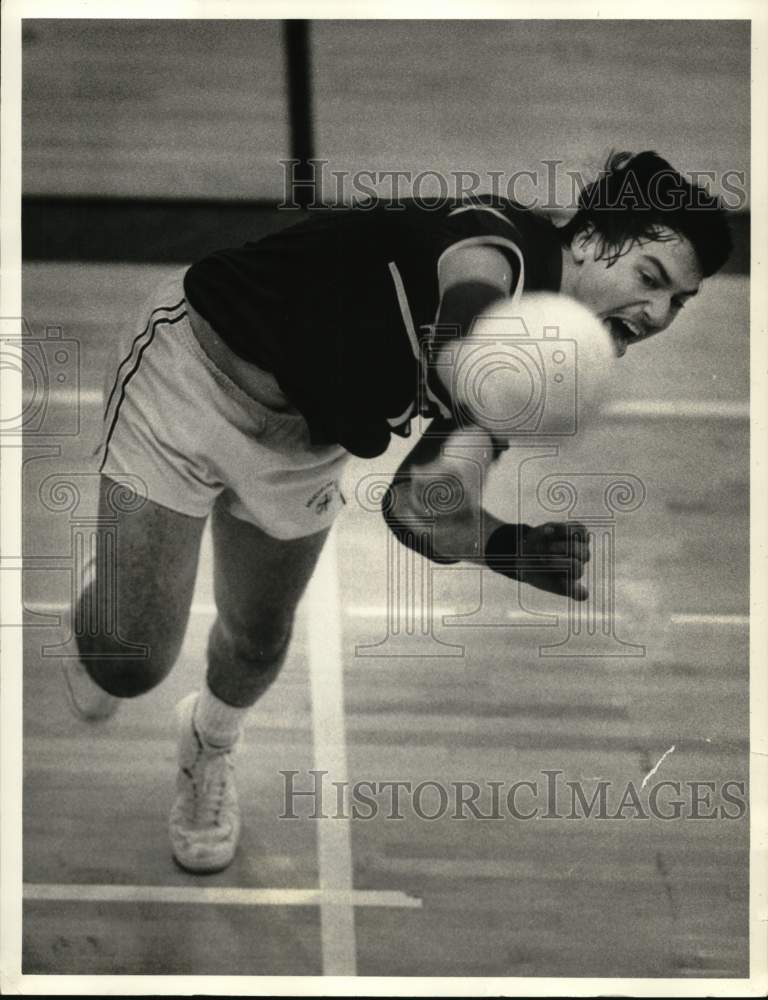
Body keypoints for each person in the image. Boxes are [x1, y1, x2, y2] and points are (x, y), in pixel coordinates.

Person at [62, 150, 732, 874]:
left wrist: (504, 546)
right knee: (127, 664)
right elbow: (467, 293)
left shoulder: (541, 369)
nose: (658, 314)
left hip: (305, 445)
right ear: (592, 238)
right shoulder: (496, 239)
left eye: (679, 302)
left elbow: (418, 506)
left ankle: (208, 746)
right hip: (191, 378)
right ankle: (112, 589)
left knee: (257, 642)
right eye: (650, 279)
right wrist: (479, 364)